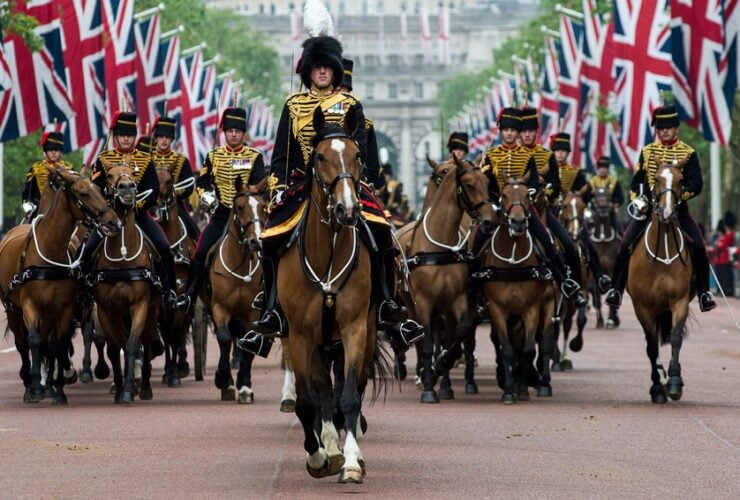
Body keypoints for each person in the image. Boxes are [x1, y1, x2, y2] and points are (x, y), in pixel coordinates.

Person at [238, 33, 423, 358]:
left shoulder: (351, 105)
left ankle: (388, 306)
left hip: (346, 185)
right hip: (301, 187)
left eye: (327, 68)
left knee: (383, 234)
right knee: (269, 238)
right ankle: (271, 310)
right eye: (317, 68)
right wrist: (279, 187)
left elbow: (365, 153)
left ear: (335, 71)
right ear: (308, 71)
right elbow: (282, 153)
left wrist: (357, 182)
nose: (322, 72)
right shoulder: (294, 106)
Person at [605, 105, 716, 312]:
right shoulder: (647, 152)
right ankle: (616, 290)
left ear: (676, 129)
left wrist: (678, 197)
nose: (665, 130)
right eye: (661, 127)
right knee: (626, 244)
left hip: (679, 210)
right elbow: (637, 181)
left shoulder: (688, 153)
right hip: (649, 210)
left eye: (669, 127)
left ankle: (704, 293)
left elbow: (696, 183)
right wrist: (639, 199)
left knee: (700, 247)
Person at [473, 107, 584, 303]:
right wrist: (493, 201)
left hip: (525, 208)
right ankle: (471, 283)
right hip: (500, 209)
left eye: (514, 130)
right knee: (477, 243)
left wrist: (532, 192)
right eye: (506, 130)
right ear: (501, 131)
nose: (510, 133)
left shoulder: (527, 156)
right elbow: (487, 183)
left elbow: (536, 182)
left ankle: (565, 281)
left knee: (551, 243)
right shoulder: (491, 155)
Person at [82, 111, 178, 308]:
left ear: (134, 136)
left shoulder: (145, 159)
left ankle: (168, 290)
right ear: (115, 136)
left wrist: (136, 207)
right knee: (88, 248)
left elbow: (153, 190)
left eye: (130, 134)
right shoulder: (103, 159)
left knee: (164, 247)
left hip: (139, 216)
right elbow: (95, 190)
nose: (126, 138)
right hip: (110, 217)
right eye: (122, 134)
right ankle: (83, 291)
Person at [175, 107, 266, 312]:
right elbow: (203, 182)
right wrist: (207, 196)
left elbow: (260, 183)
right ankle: (190, 296)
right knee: (200, 252)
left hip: (249, 215)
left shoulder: (255, 157)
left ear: (244, 133)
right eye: (230, 130)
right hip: (222, 214)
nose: (234, 134)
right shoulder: (213, 156)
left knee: (270, 251)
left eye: (238, 131)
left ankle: (270, 300)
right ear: (224, 133)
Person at [518, 108, 595, 300]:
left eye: (531, 130)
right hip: (513, 210)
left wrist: (546, 190)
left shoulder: (546, 155)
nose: (527, 134)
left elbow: (555, 183)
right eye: (524, 130)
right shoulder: (509, 155)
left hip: (541, 209)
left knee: (568, 245)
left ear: (537, 133)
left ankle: (572, 285)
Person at [550, 132, 611, 293]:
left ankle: (599, 276)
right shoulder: (548, 169)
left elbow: (587, 193)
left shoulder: (575, 172)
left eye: (563, 150)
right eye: (557, 150)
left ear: (568, 153)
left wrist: (578, 196)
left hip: (571, 213)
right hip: (551, 210)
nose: (560, 153)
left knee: (587, 244)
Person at [150, 116, 199, 239]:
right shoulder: (147, 160)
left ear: (172, 139)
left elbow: (188, 186)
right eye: (161, 137)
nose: (164, 140)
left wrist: (171, 195)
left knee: (195, 233)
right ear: (156, 138)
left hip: (175, 205)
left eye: (167, 137)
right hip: (151, 205)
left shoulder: (181, 160)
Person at [22, 131, 73, 219]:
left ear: (61, 152)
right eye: (50, 150)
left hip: (65, 209)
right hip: (39, 210)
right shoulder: (36, 169)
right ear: (46, 151)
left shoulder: (69, 169)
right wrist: (28, 208)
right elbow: (28, 192)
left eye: (56, 150)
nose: (53, 152)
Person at [589, 156, 625, 234]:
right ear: (598, 169)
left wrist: (615, 205)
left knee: (618, 226)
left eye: (605, 168)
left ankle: (622, 240)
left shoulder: (614, 181)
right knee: (586, 225)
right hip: (594, 211)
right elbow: (587, 197)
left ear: (608, 169)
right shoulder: (591, 181)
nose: (603, 170)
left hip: (610, 211)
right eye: (601, 168)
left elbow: (620, 197)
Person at [709, 211, 736, 297]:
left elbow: (723, 245)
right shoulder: (726, 234)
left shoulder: (730, 234)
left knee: (725, 276)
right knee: (720, 276)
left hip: (725, 258)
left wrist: (718, 243)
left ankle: (726, 290)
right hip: (720, 258)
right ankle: (721, 290)